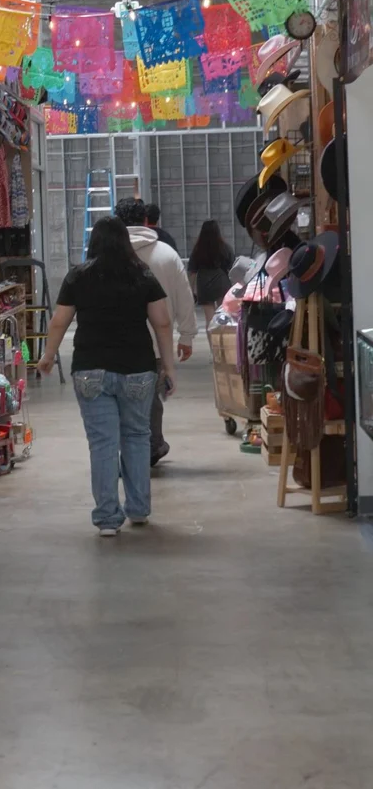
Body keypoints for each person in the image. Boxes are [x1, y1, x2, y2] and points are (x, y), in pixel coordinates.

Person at [39, 217, 177, 536]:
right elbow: (163, 323)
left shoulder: (78, 276)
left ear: (94, 242)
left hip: (91, 369)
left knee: (102, 443)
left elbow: (59, 321)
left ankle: (106, 519)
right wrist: (168, 367)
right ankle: (139, 509)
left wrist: (48, 356)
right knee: (137, 437)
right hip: (138, 370)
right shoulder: (142, 275)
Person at [115, 197, 197, 467]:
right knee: (150, 398)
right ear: (146, 220)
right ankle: (151, 446)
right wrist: (186, 336)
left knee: (120, 399)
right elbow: (184, 296)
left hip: (114, 343)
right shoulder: (167, 254)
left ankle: (127, 449)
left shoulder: (107, 255)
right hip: (156, 344)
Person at [188, 220, 235, 332]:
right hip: (221, 281)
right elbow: (232, 267)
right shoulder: (225, 247)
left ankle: (212, 348)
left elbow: (192, 272)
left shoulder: (198, 249)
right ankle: (222, 343)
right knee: (223, 315)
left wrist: (190, 290)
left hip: (204, 283)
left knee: (209, 318)